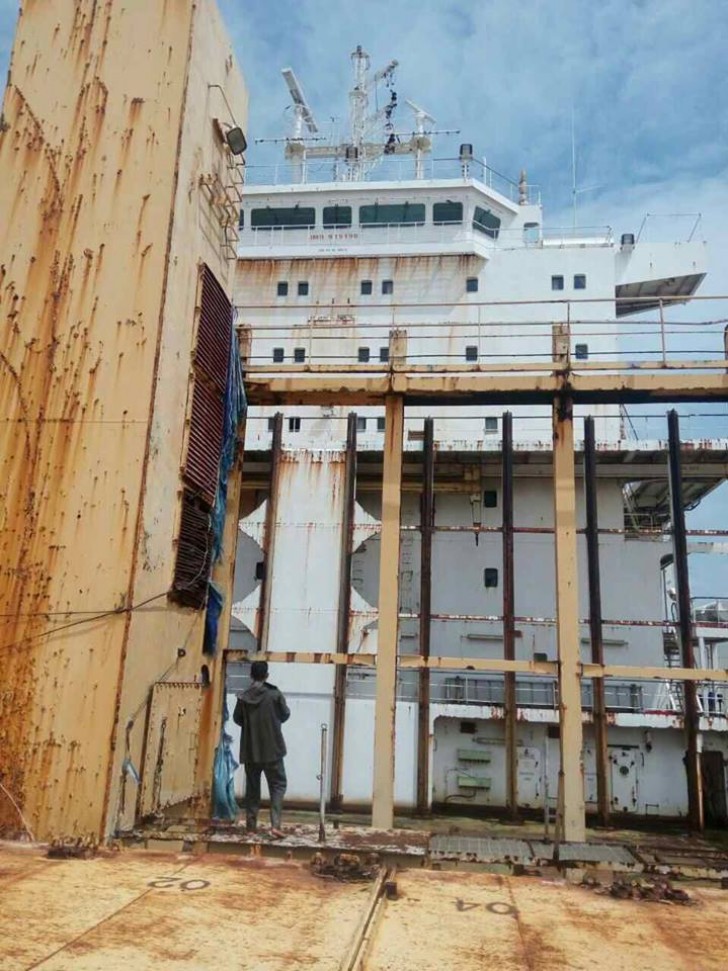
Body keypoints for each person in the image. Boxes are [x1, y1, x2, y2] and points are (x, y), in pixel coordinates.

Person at [233, 660, 290, 837]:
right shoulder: (274, 694)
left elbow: (237, 719)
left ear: (251, 675)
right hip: (273, 750)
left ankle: (251, 828)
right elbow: (285, 714)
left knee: (252, 789)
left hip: (251, 751)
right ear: (266, 675)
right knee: (278, 785)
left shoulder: (243, 697)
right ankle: (275, 825)